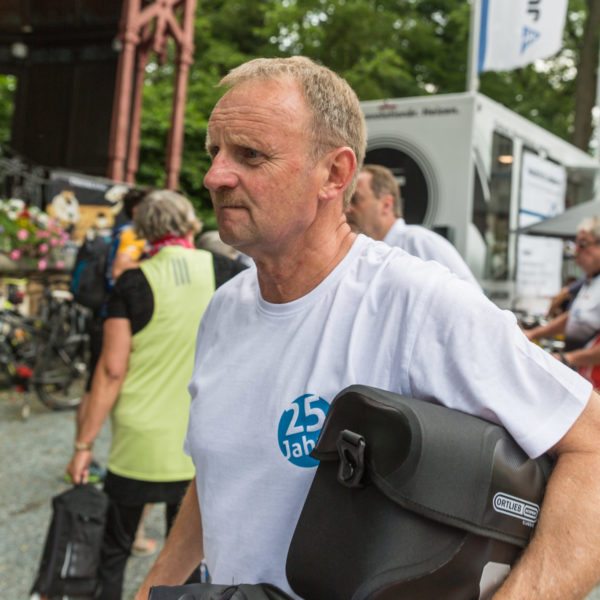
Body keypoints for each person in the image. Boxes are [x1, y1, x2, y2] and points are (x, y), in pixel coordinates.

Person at [135, 57, 600, 600]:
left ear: (334, 174)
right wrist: (153, 589)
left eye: (250, 155)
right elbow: (220, 477)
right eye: (214, 151)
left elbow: (592, 445)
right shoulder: (224, 309)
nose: (215, 176)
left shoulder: (417, 303)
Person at [67, 190, 246, 599]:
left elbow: (111, 370)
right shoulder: (227, 271)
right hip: (200, 437)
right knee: (190, 563)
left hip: (138, 440)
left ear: (144, 228)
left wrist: (83, 445)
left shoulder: (132, 282)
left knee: (114, 551)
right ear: (189, 222)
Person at [345, 163, 479, 286]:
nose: (347, 209)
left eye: (355, 200)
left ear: (386, 205)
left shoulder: (420, 242)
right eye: (346, 201)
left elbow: (472, 297)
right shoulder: (365, 253)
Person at [525, 216, 600, 351]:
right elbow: (572, 319)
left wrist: (568, 359)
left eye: (583, 244)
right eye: (576, 243)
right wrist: (532, 334)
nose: (576, 250)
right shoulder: (591, 280)